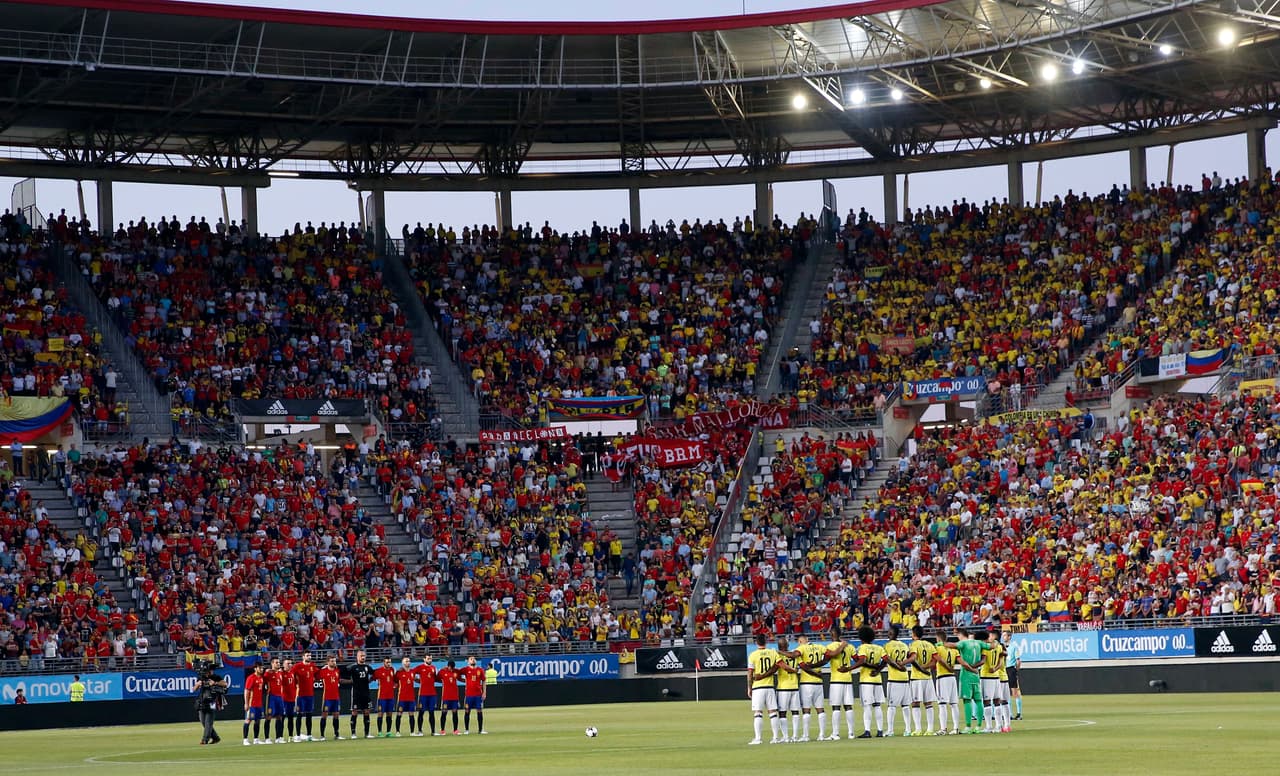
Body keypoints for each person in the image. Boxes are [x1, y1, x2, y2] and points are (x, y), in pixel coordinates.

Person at [745, 633, 783, 746]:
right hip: (770, 686)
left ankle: (758, 738)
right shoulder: (772, 652)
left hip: (758, 687)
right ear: (765, 642)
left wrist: (749, 687)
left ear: (756, 642)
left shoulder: (753, 655)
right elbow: (778, 665)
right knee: (772, 713)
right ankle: (775, 737)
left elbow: (750, 672)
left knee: (758, 713)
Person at [823, 627, 856, 741]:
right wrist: (849, 668)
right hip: (848, 679)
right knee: (848, 707)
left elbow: (827, 658)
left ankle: (835, 734)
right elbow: (858, 659)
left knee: (836, 707)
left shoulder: (830, 646)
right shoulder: (850, 647)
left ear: (832, 634)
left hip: (836, 680)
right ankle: (851, 733)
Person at [795, 634, 829, 742]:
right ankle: (822, 735)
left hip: (807, 683)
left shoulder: (801, 649)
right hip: (818, 683)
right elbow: (828, 656)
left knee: (806, 710)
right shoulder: (819, 647)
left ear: (800, 641)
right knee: (820, 709)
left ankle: (806, 736)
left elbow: (803, 666)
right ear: (808, 639)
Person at [955, 628, 989, 734]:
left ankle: (968, 727)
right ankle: (979, 726)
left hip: (966, 675)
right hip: (976, 675)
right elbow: (983, 660)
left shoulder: (964, 645)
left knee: (967, 701)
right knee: (978, 701)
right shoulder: (979, 646)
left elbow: (963, 662)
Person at [855, 625, 886, 738]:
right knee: (877, 705)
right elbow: (885, 661)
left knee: (867, 706)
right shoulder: (879, 647)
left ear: (861, 637)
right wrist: (877, 670)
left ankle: (867, 731)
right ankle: (880, 731)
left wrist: (849, 669)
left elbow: (862, 661)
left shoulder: (863, 648)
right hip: (877, 680)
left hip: (866, 680)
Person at [908, 625, 938, 736]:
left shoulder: (913, 644)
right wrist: (925, 667)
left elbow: (913, 658)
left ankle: (918, 729)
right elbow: (934, 662)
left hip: (916, 678)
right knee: (928, 704)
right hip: (928, 678)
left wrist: (919, 667)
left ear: (914, 634)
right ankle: (930, 729)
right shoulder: (929, 645)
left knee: (915, 703)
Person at [882, 625, 912, 737]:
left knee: (891, 706)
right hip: (905, 678)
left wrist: (877, 670)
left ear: (893, 633)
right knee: (905, 706)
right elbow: (909, 657)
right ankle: (908, 730)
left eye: (889, 632)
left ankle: (890, 730)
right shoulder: (904, 645)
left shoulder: (887, 645)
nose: (888, 634)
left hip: (894, 679)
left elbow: (886, 660)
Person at [980, 630, 1010, 733]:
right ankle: (999, 726)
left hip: (986, 676)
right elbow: (1002, 658)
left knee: (987, 702)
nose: (988, 637)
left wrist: (973, 666)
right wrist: (996, 668)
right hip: (996, 677)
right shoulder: (999, 647)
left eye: (990, 635)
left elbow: (983, 660)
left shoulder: (986, 648)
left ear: (993, 636)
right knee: (997, 701)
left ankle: (989, 726)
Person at [342, 650, 375, 739]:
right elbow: (342, 676)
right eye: (361, 656)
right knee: (354, 712)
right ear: (357, 657)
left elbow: (374, 675)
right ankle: (353, 733)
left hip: (366, 693)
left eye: (364, 655)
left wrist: (370, 680)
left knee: (367, 712)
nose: (363, 657)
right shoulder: (353, 667)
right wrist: (351, 681)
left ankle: (367, 733)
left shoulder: (368, 667)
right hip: (356, 693)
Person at [773, 635, 799, 743]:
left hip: (783, 687)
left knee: (782, 713)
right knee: (795, 712)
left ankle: (786, 737)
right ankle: (795, 736)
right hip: (794, 686)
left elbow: (775, 668)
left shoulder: (778, 656)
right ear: (787, 645)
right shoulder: (794, 655)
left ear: (779, 646)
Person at [934, 635, 962, 735]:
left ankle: (943, 729)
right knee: (954, 704)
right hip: (952, 678)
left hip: (942, 677)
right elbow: (960, 661)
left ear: (938, 638)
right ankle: (956, 728)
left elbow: (936, 660)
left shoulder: (938, 648)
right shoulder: (954, 650)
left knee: (942, 704)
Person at [194, 663, 228, 746]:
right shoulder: (201, 678)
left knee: (208, 723)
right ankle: (216, 738)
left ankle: (204, 740)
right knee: (203, 723)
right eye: (209, 671)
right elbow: (193, 689)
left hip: (212, 702)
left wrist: (215, 683)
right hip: (202, 702)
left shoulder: (216, 677)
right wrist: (198, 684)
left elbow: (225, 684)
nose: (210, 672)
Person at [292, 651, 318, 741]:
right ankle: (298, 735)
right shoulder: (297, 666)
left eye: (310, 655)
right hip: (300, 694)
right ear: (303, 657)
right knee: (299, 714)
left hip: (310, 694)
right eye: (307, 655)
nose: (309, 657)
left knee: (309, 715)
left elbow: (318, 674)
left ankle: (309, 735)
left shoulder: (312, 666)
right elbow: (291, 674)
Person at [461, 655, 488, 735]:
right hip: (469, 695)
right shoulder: (466, 669)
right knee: (467, 711)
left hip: (478, 695)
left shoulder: (480, 670)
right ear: (468, 661)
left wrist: (484, 692)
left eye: (474, 659)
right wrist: (463, 680)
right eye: (471, 659)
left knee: (479, 711)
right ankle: (466, 730)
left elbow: (483, 681)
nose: (473, 660)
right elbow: (457, 673)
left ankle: (480, 729)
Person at [317, 655, 343, 740]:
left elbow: (338, 681)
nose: (334, 662)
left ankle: (337, 734)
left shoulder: (337, 671)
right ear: (328, 662)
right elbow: (316, 676)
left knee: (336, 715)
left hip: (336, 697)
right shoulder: (323, 671)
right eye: (332, 661)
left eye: (334, 661)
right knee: (324, 715)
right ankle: (322, 735)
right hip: (327, 697)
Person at [372, 657, 397, 738]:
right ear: (384, 662)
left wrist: (395, 684)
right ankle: (379, 732)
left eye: (390, 662)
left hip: (391, 696)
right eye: (387, 662)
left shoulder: (392, 670)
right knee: (380, 714)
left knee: (389, 714)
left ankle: (388, 732)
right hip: (382, 697)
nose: (389, 664)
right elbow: (372, 678)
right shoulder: (378, 671)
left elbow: (394, 680)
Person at [414, 658, 439, 736]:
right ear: (424, 659)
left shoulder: (433, 668)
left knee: (432, 713)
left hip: (432, 694)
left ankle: (433, 731)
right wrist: (417, 680)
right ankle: (420, 731)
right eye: (428, 658)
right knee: (421, 712)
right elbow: (412, 673)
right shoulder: (420, 667)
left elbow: (435, 678)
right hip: (423, 694)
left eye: (430, 658)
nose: (430, 660)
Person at [1002, 630, 1024, 720]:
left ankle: (1019, 713)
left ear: (1009, 637)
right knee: (1006, 693)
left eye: (1005, 636)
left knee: (1014, 692)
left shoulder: (1014, 647)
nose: (1003, 637)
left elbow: (1018, 660)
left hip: (1011, 669)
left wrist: (1015, 670)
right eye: (1003, 636)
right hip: (1003, 670)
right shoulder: (1002, 647)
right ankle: (1009, 714)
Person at [264, 658, 287, 743]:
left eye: (279, 662)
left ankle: (278, 738)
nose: (278, 664)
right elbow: (264, 678)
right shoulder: (269, 673)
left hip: (279, 697)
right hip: (271, 697)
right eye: (276, 662)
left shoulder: (280, 673)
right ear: (272, 664)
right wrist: (267, 671)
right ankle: (267, 738)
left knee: (279, 717)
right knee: (268, 717)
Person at [243, 663, 267, 745]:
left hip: (259, 704)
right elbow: (246, 691)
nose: (261, 670)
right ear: (255, 669)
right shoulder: (251, 678)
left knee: (258, 721)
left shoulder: (261, 678)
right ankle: (245, 739)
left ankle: (256, 739)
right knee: (248, 720)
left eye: (262, 668)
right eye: (260, 668)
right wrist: (246, 703)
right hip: (251, 704)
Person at [394, 658, 418, 737]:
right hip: (402, 698)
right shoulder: (399, 672)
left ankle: (412, 732)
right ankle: (397, 732)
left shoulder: (412, 672)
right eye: (406, 661)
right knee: (399, 714)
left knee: (411, 714)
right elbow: (394, 681)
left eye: (409, 661)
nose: (408, 662)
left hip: (411, 698)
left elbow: (416, 679)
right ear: (402, 663)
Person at [438, 660, 462, 735]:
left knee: (455, 713)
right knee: (444, 713)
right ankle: (442, 730)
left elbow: (460, 674)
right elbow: (437, 677)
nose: (451, 669)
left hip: (455, 697)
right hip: (445, 697)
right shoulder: (442, 671)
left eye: (453, 668)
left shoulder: (456, 672)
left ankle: (455, 730)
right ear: (447, 666)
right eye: (450, 668)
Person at [281, 658, 299, 742]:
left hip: (292, 700)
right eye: (288, 663)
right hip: (284, 700)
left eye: (291, 663)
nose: (290, 665)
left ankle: (290, 736)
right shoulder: (281, 673)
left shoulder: (292, 673)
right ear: (283, 665)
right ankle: (280, 737)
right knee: (282, 718)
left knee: (291, 718)